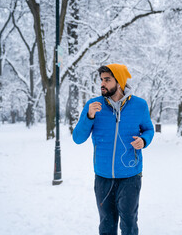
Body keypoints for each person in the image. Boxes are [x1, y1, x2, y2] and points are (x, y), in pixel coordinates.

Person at [72, 64, 154, 235]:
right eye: (101, 79)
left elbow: (148, 129)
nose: (102, 83)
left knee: (129, 223)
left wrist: (144, 140)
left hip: (130, 176)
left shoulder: (139, 105)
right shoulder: (93, 105)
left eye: (107, 80)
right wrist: (89, 116)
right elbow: (78, 138)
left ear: (120, 82)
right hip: (103, 176)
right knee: (106, 225)